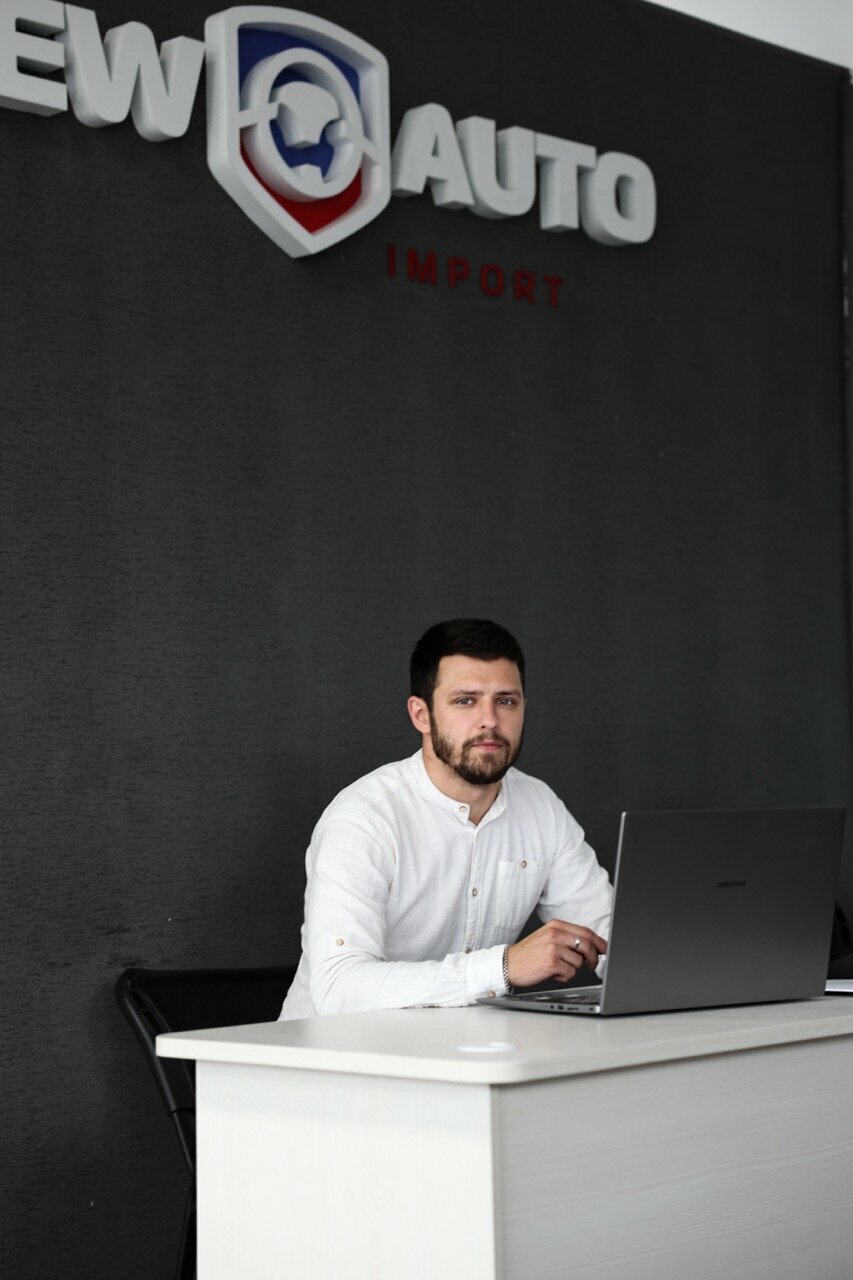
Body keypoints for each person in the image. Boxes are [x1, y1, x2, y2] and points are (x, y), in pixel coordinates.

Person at [280, 618, 613, 1019]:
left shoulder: (541, 807)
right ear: (421, 714)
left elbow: (611, 936)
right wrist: (502, 968)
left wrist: (653, 968)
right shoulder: (363, 820)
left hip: (460, 1047)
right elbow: (339, 988)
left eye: (506, 701)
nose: (490, 720)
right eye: (466, 701)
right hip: (330, 1052)